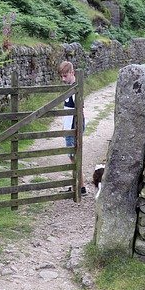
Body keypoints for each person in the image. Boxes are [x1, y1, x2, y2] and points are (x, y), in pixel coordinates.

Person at [58, 61, 87, 196]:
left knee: (73, 157)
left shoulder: (75, 88)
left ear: (72, 72)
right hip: (69, 126)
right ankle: (79, 186)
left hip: (73, 127)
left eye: (65, 76)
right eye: (62, 76)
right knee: (73, 156)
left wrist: (75, 129)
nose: (63, 79)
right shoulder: (71, 87)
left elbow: (79, 109)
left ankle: (80, 187)